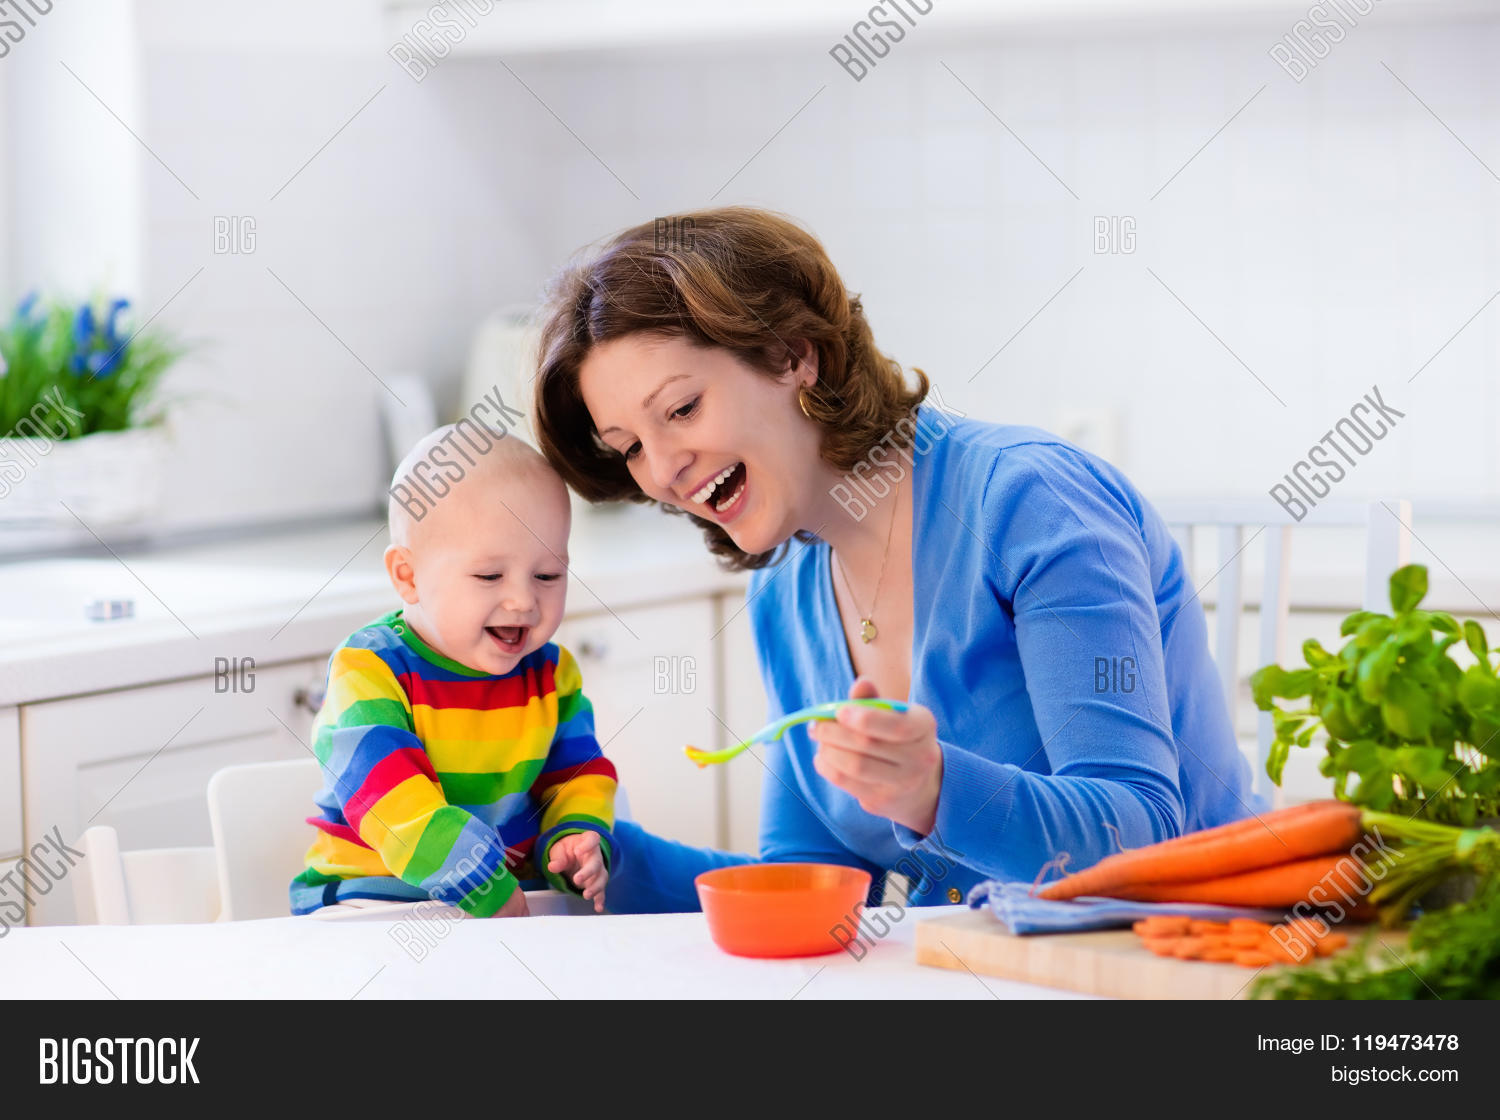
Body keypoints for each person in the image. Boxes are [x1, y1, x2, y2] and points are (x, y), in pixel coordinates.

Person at [531, 205, 1261, 915]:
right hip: (990, 972)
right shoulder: (785, 589)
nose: (663, 470)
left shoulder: (1028, 503)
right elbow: (810, 880)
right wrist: (602, 858)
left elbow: (1140, 832)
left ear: (794, 355)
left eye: (682, 409)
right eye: (628, 446)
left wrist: (936, 789)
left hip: (1191, 956)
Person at [289, 426, 615, 916]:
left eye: (547, 575)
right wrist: (483, 885)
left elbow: (578, 777)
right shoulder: (369, 669)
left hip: (511, 897)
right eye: (489, 576)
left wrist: (575, 839)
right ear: (408, 576)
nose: (524, 600)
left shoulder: (553, 674)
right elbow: (394, 806)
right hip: (371, 903)